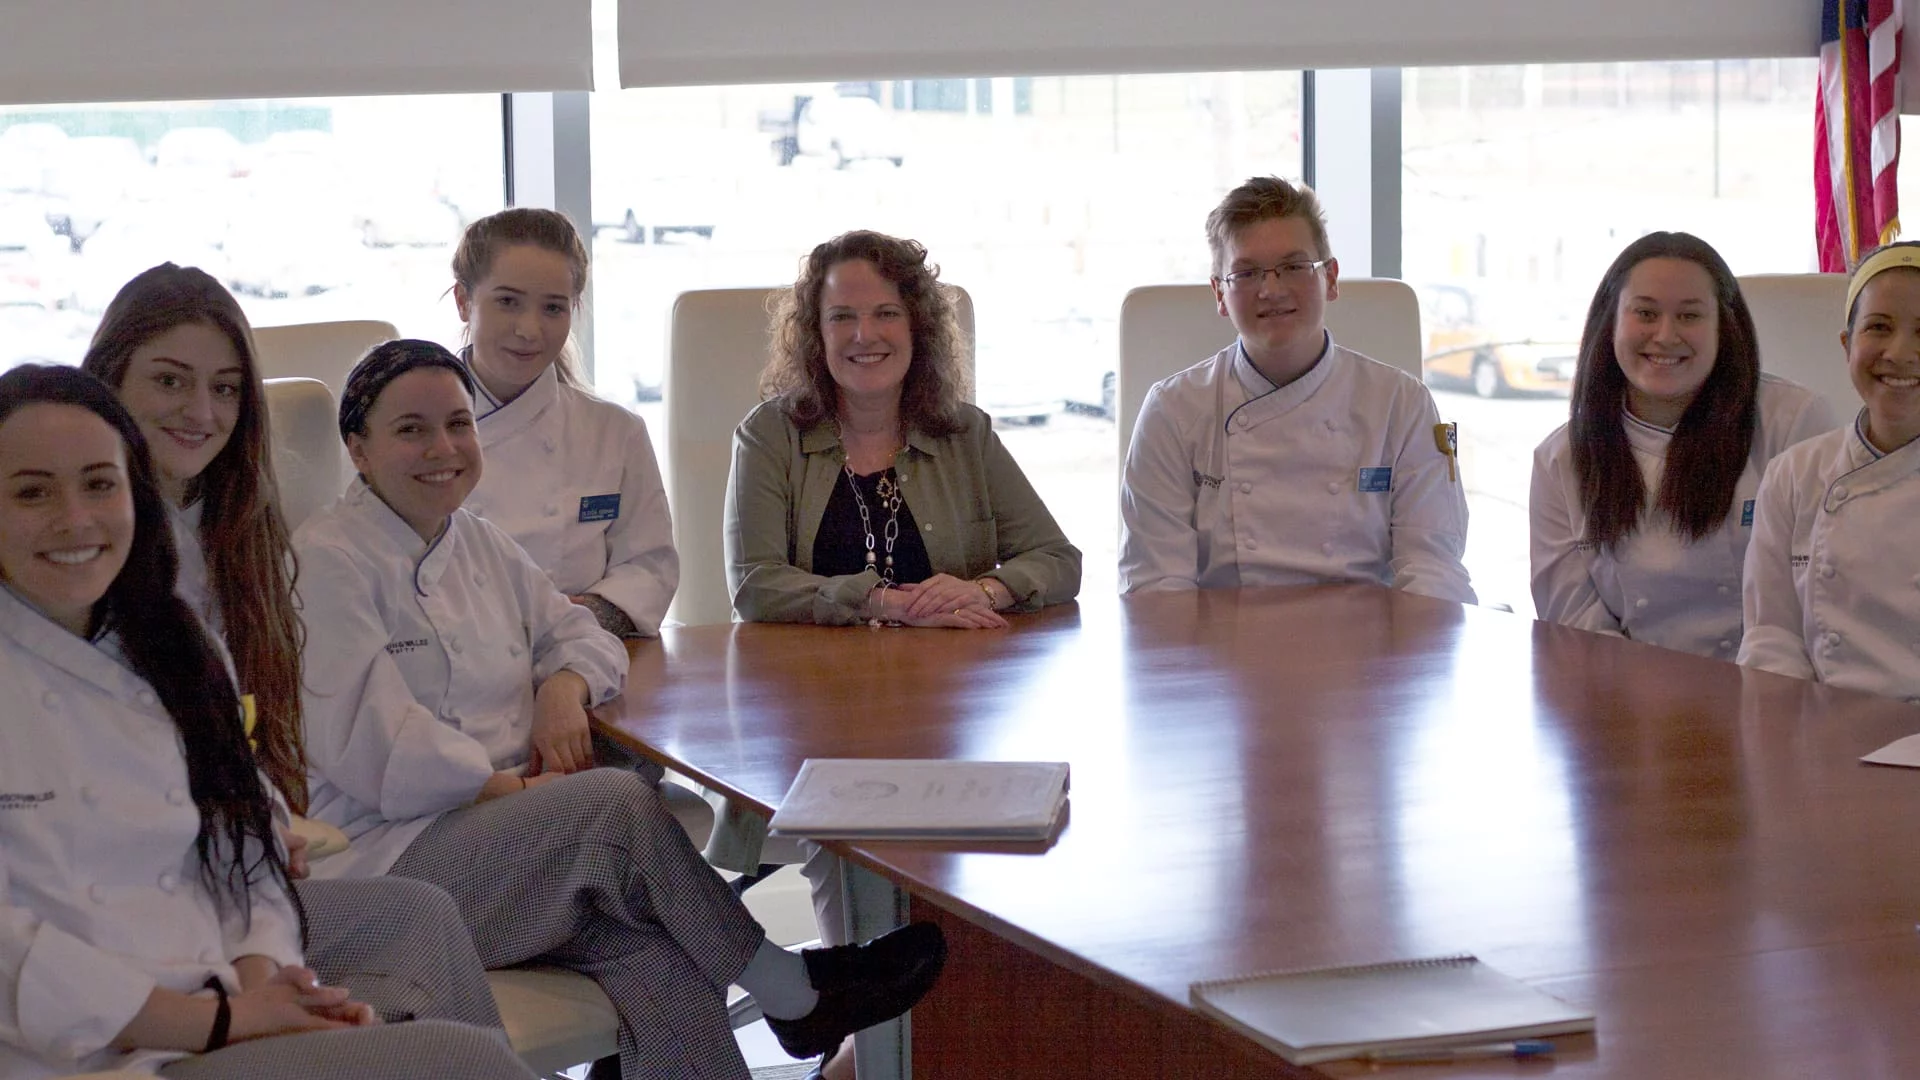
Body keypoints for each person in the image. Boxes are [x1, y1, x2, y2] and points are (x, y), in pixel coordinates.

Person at [294, 340, 946, 1080]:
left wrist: (560, 687)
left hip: (510, 847)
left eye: (458, 424)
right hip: (393, 867)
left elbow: (584, 633)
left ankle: (793, 1000)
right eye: (411, 429)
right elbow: (376, 745)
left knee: (662, 962)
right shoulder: (326, 560)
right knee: (613, 805)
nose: (443, 448)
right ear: (358, 447)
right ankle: (791, 991)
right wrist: (510, 791)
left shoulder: (475, 542)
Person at [0, 363, 536, 1080]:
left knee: (429, 956)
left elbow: (249, 843)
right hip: (75, 1056)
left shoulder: (176, 649)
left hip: (208, 992)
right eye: (32, 492)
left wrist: (266, 988)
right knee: (462, 1062)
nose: (75, 518)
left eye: (100, 483)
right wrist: (223, 1023)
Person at [80, 263, 505, 1031]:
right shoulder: (85, 558)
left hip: (236, 870)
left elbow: (225, 740)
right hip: (145, 896)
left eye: (226, 389)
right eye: (170, 382)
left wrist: (260, 823)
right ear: (109, 379)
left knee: (429, 926)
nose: (201, 412)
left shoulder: (234, 537)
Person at [1119, 176, 1475, 604]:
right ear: (1219, 293)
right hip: (1222, 657)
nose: (1271, 289)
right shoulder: (1173, 411)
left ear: (1331, 278)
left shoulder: (1402, 405)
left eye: (1293, 267)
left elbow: (1432, 572)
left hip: (1369, 657)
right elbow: (1158, 591)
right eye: (1246, 273)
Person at [726, 229, 1081, 627]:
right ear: (816, 334)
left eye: (886, 313)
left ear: (918, 327)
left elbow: (1058, 560)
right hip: (807, 677)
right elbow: (755, 586)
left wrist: (984, 591)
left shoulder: (964, 433)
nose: (864, 335)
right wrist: (890, 604)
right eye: (842, 316)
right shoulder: (770, 434)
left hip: (950, 675)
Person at [1530, 233, 1835, 658]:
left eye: (1689, 316)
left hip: (1773, 688)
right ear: (1611, 322)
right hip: (1623, 694)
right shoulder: (1560, 459)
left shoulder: (1794, 422)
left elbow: (1822, 594)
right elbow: (1573, 621)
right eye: (1645, 313)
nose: (1665, 335)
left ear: (1723, 328)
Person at [452, 207, 676, 640]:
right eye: (507, 302)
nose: (529, 330)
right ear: (464, 301)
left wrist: (566, 621)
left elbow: (651, 568)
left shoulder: (616, 433)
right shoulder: (407, 431)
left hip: (584, 662)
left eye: (553, 308)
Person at [1739, 242, 1920, 703]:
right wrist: (1795, 740)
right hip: (1820, 740)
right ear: (1847, 343)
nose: (1899, 353)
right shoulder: (1794, 476)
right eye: (1879, 327)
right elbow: (1771, 636)